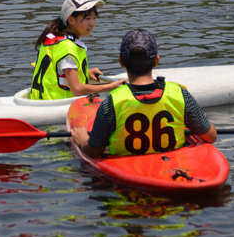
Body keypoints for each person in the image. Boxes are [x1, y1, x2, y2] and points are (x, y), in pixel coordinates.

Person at [71, 29, 217, 158]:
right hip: (174, 164)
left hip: (126, 171)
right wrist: (201, 121)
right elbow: (211, 136)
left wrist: (82, 140)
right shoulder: (181, 94)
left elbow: (93, 152)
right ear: (156, 61)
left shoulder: (112, 103)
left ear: (121, 61)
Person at [30, 0, 127, 100]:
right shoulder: (68, 47)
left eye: (94, 18)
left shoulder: (55, 38)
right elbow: (76, 89)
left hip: (39, 100)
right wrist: (112, 86)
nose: (92, 23)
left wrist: (85, 72)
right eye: (87, 18)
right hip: (55, 104)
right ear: (71, 20)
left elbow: (56, 70)